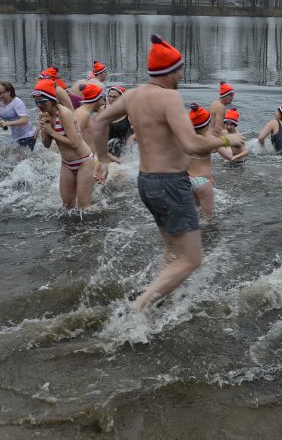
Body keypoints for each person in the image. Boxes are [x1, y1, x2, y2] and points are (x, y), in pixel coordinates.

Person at [89, 34, 242, 312]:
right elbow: (192, 144)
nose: (182, 73)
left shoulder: (134, 95)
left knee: (172, 250)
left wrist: (101, 158)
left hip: (146, 182)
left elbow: (99, 121)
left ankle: (160, 299)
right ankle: (141, 307)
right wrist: (227, 141)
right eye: (180, 68)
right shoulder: (169, 96)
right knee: (192, 259)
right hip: (170, 183)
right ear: (170, 70)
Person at [34, 79, 96, 209]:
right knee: (67, 205)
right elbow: (46, 144)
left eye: (43, 102)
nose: (40, 105)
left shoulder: (64, 114)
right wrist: (45, 130)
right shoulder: (43, 115)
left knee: (84, 206)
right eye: (37, 102)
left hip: (84, 160)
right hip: (67, 163)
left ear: (52, 99)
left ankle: (105, 224)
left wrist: (52, 132)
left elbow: (74, 143)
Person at [187, 103, 232, 218]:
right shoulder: (211, 140)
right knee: (209, 218)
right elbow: (228, 156)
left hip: (187, 180)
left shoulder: (186, 139)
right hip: (202, 181)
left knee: (195, 213)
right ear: (207, 124)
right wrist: (225, 140)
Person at [0, 81, 36, 150]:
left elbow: (25, 120)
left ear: (9, 92)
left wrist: (7, 123)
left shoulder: (17, 102)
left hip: (27, 136)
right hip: (14, 137)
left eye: (1, 92)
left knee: (24, 160)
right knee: (12, 159)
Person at [74, 83, 107, 154]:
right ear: (97, 99)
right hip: (86, 160)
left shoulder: (85, 113)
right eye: (103, 99)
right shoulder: (82, 114)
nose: (104, 103)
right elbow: (73, 140)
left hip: (92, 158)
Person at [105, 86, 134, 158]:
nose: (111, 99)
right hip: (106, 151)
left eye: (115, 97)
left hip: (123, 151)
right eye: (109, 96)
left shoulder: (128, 112)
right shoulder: (103, 109)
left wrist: (132, 138)